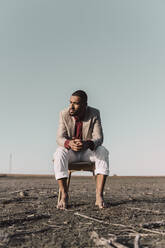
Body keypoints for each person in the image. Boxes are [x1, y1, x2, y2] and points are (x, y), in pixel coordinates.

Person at [53, 90, 109, 209]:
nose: (71, 106)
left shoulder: (94, 113)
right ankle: (64, 195)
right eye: (70, 102)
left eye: (76, 103)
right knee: (59, 152)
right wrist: (69, 143)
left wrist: (86, 143)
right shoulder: (64, 114)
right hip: (71, 152)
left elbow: (99, 138)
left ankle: (99, 196)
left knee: (102, 151)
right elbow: (59, 138)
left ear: (84, 105)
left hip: (87, 152)